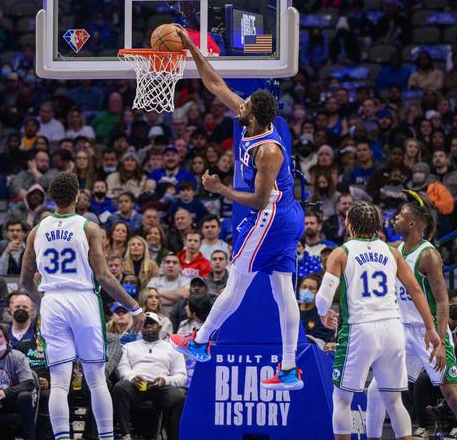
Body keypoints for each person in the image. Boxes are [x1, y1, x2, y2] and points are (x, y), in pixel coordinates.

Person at [170, 26, 306, 390]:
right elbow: (214, 84)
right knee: (282, 291)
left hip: (273, 215)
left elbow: (260, 201)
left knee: (237, 280)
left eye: (244, 106)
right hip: (285, 215)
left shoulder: (268, 150)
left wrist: (220, 189)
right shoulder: (253, 118)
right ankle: (289, 369)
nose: (239, 105)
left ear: (256, 116)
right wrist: (192, 48)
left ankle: (200, 343)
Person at [19, 171, 145, 440]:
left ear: (52, 198)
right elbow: (103, 276)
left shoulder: (36, 231)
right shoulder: (88, 227)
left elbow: (25, 280)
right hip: (82, 298)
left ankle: (63, 437)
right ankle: (107, 437)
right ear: (77, 196)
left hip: (52, 301)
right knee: (97, 379)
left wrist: (44, 299)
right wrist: (134, 306)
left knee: (60, 382)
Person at [316, 201, 441, 438]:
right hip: (393, 328)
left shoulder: (341, 252)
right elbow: (416, 291)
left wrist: (324, 312)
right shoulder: (391, 252)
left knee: (342, 399)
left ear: (349, 223)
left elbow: (323, 298)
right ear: (377, 225)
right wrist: (431, 327)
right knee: (394, 401)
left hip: (360, 329)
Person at [366, 195, 457, 440]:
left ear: (412, 223)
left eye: (399, 215)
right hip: (402, 331)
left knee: (452, 396)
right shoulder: (395, 250)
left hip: (428, 332)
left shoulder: (429, 255)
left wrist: (439, 342)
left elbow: (442, 302)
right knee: (377, 388)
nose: (394, 218)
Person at [113, 312, 187, 440]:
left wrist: (166, 380)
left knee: (179, 398)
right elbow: (122, 367)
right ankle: (126, 435)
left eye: (152, 324)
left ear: (159, 327)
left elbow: (181, 376)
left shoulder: (172, 348)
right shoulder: (129, 347)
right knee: (120, 387)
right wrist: (131, 377)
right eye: (145, 324)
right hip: (136, 384)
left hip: (160, 386)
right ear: (140, 328)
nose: (148, 327)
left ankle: (175, 437)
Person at [298, 274, 334, 347]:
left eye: (311, 288)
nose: (306, 290)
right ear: (299, 289)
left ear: (318, 292)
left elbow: (320, 342)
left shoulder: (323, 314)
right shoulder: (291, 310)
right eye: (304, 287)